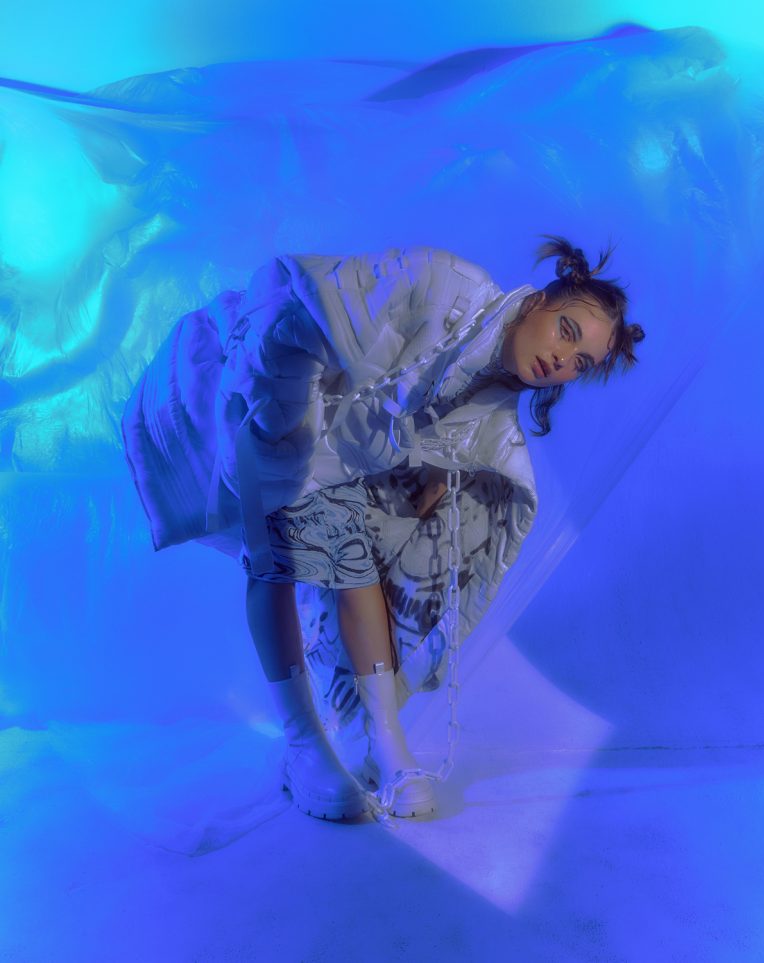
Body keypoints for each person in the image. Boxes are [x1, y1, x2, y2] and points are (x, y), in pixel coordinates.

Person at [121, 234, 645, 822]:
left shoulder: (498, 397)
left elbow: (444, 426)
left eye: (581, 364)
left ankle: (381, 739)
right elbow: (301, 300)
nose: (562, 360)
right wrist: (284, 438)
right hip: (264, 379)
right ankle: (303, 743)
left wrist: (438, 477)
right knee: (273, 559)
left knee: (355, 561)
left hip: (331, 444)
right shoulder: (446, 280)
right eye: (566, 331)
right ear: (539, 302)